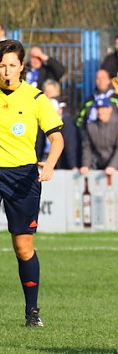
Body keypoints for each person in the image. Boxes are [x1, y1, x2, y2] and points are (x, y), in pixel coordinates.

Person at [0, 40, 65, 327]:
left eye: (11, 65)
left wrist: (49, 164)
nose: (6, 71)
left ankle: (32, 312)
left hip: (23, 176)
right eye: (1, 65)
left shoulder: (36, 98)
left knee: (23, 247)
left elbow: (57, 138)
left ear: (22, 67)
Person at [80, 100, 118, 175]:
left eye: (103, 108)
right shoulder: (91, 126)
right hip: (98, 166)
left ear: (110, 109)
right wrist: (86, 165)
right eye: (98, 109)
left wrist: (113, 166)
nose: (100, 112)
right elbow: (87, 147)